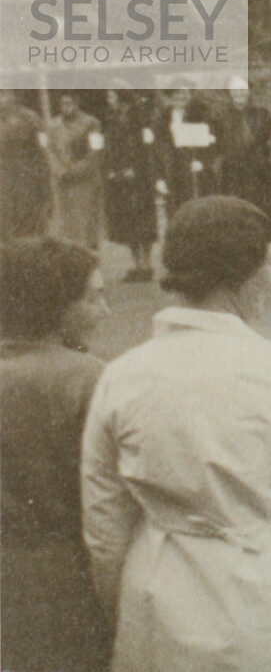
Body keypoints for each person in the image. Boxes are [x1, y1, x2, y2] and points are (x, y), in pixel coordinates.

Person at [81, 197, 271, 671]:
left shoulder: (122, 375)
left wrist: (126, 604)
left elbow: (104, 531)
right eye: (267, 264)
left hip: (159, 601)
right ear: (250, 275)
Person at [1, 238, 112, 671]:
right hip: (71, 571)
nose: (105, 312)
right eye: (93, 297)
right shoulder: (87, 377)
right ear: (56, 305)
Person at [101, 88, 159, 282]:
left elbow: (146, 148)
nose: (109, 100)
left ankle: (148, 263)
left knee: (143, 218)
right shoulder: (111, 118)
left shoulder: (139, 117)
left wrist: (136, 168)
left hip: (139, 177)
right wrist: (110, 168)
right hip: (119, 176)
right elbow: (109, 146)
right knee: (128, 220)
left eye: (111, 96)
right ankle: (137, 264)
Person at [49, 92, 103, 249]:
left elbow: (96, 150)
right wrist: (59, 169)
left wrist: (79, 169)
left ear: (77, 103)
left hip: (84, 180)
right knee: (67, 222)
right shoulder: (53, 124)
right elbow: (49, 149)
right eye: (62, 104)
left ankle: (88, 253)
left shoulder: (91, 123)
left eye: (69, 103)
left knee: (86, 221)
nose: (66, 107)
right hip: (63, 180)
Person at [218, 76, 271, 217]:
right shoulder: (221, 117)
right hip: (232, 169)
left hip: (257, 167)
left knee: (258, 205)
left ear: (249, 92)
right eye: (235, 91)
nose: (239, 94)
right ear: (230, 93)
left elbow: (268, 139)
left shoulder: (261, 114)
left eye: (243, 90)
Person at [0, 90, 53, 243]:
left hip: (27, 177)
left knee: (29, 222)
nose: (2, 98)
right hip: (4, 179)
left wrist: (43, 177)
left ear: (14, 96)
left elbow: (43, 148)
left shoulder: (30, 118)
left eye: (4, 94)